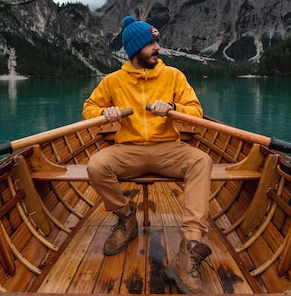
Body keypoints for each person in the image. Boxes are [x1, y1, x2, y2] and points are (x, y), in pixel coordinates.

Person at [82, 15, 213, 293]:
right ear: (134, 50)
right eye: (151, 43)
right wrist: (105, 112)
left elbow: (196, 114)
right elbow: (88, 110)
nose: (158, 47)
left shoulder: (174, 75)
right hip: (127, 150)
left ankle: (189, 246)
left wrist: (172, 106)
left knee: (201, 160)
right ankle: (126, 216)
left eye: (157, 41)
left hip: (168, 148)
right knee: (95, 165)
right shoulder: (114, 81)